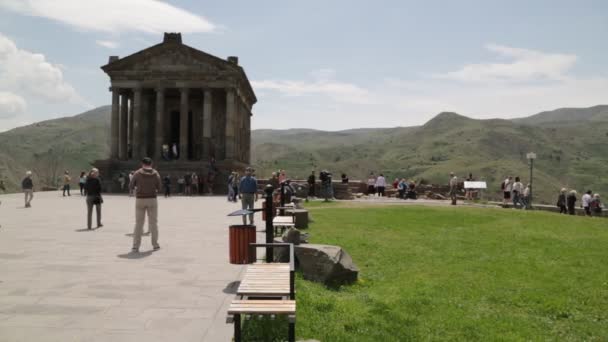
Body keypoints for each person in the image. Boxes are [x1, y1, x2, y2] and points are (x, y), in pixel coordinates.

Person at [129, 157, 162, 252]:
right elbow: (159, 187)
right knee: (153, 223)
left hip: (140, 199)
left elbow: (131, 185)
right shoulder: (156, 173)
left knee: (139, 223)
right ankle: (155, 245)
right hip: (152, 199)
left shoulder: (137, 173)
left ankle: (135, 246)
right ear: (151, 164)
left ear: (142, 164)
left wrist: (137, 188)